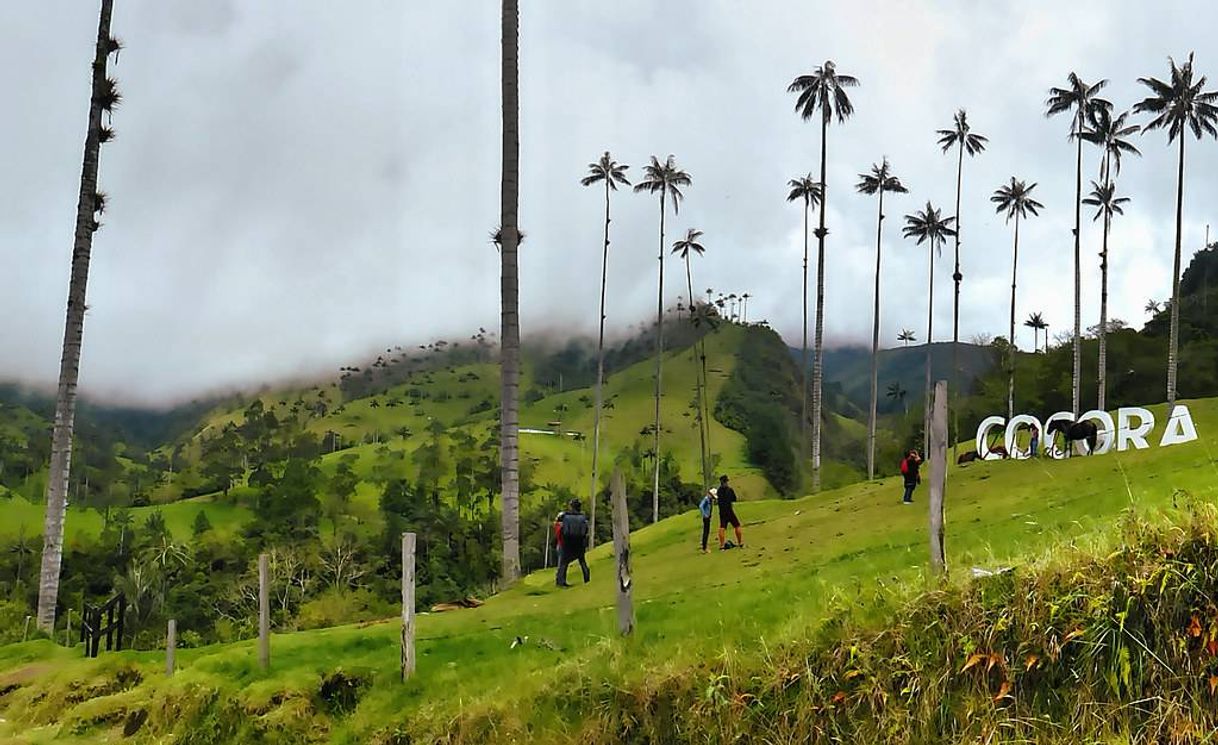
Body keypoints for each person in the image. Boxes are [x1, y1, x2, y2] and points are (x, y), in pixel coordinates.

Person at [554, 498, 590, 587]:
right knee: (582, 561)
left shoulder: (565, 516)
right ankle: (587, 579)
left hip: (567, 543)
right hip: (580, 543)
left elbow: (561, 528)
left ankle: (561, 582)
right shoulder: (583, 517)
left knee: (563, 563)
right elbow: (585, 530)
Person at [716, 475, 744, 549]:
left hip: (722, 511)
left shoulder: (719, 491)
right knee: (737, 525)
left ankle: (722, 545)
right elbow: (734, 499)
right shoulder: (729, 490)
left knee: (722, 527)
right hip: (729, 511)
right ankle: (740, 542)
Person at [698, 487, 716, 553]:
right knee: (706, 532)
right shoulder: (706, 499)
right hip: (706, 518)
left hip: (708, 517)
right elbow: (700, 506)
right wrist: (705, 514)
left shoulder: (710, 500)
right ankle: (704, 547)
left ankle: (704, 545)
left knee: (707, 531)